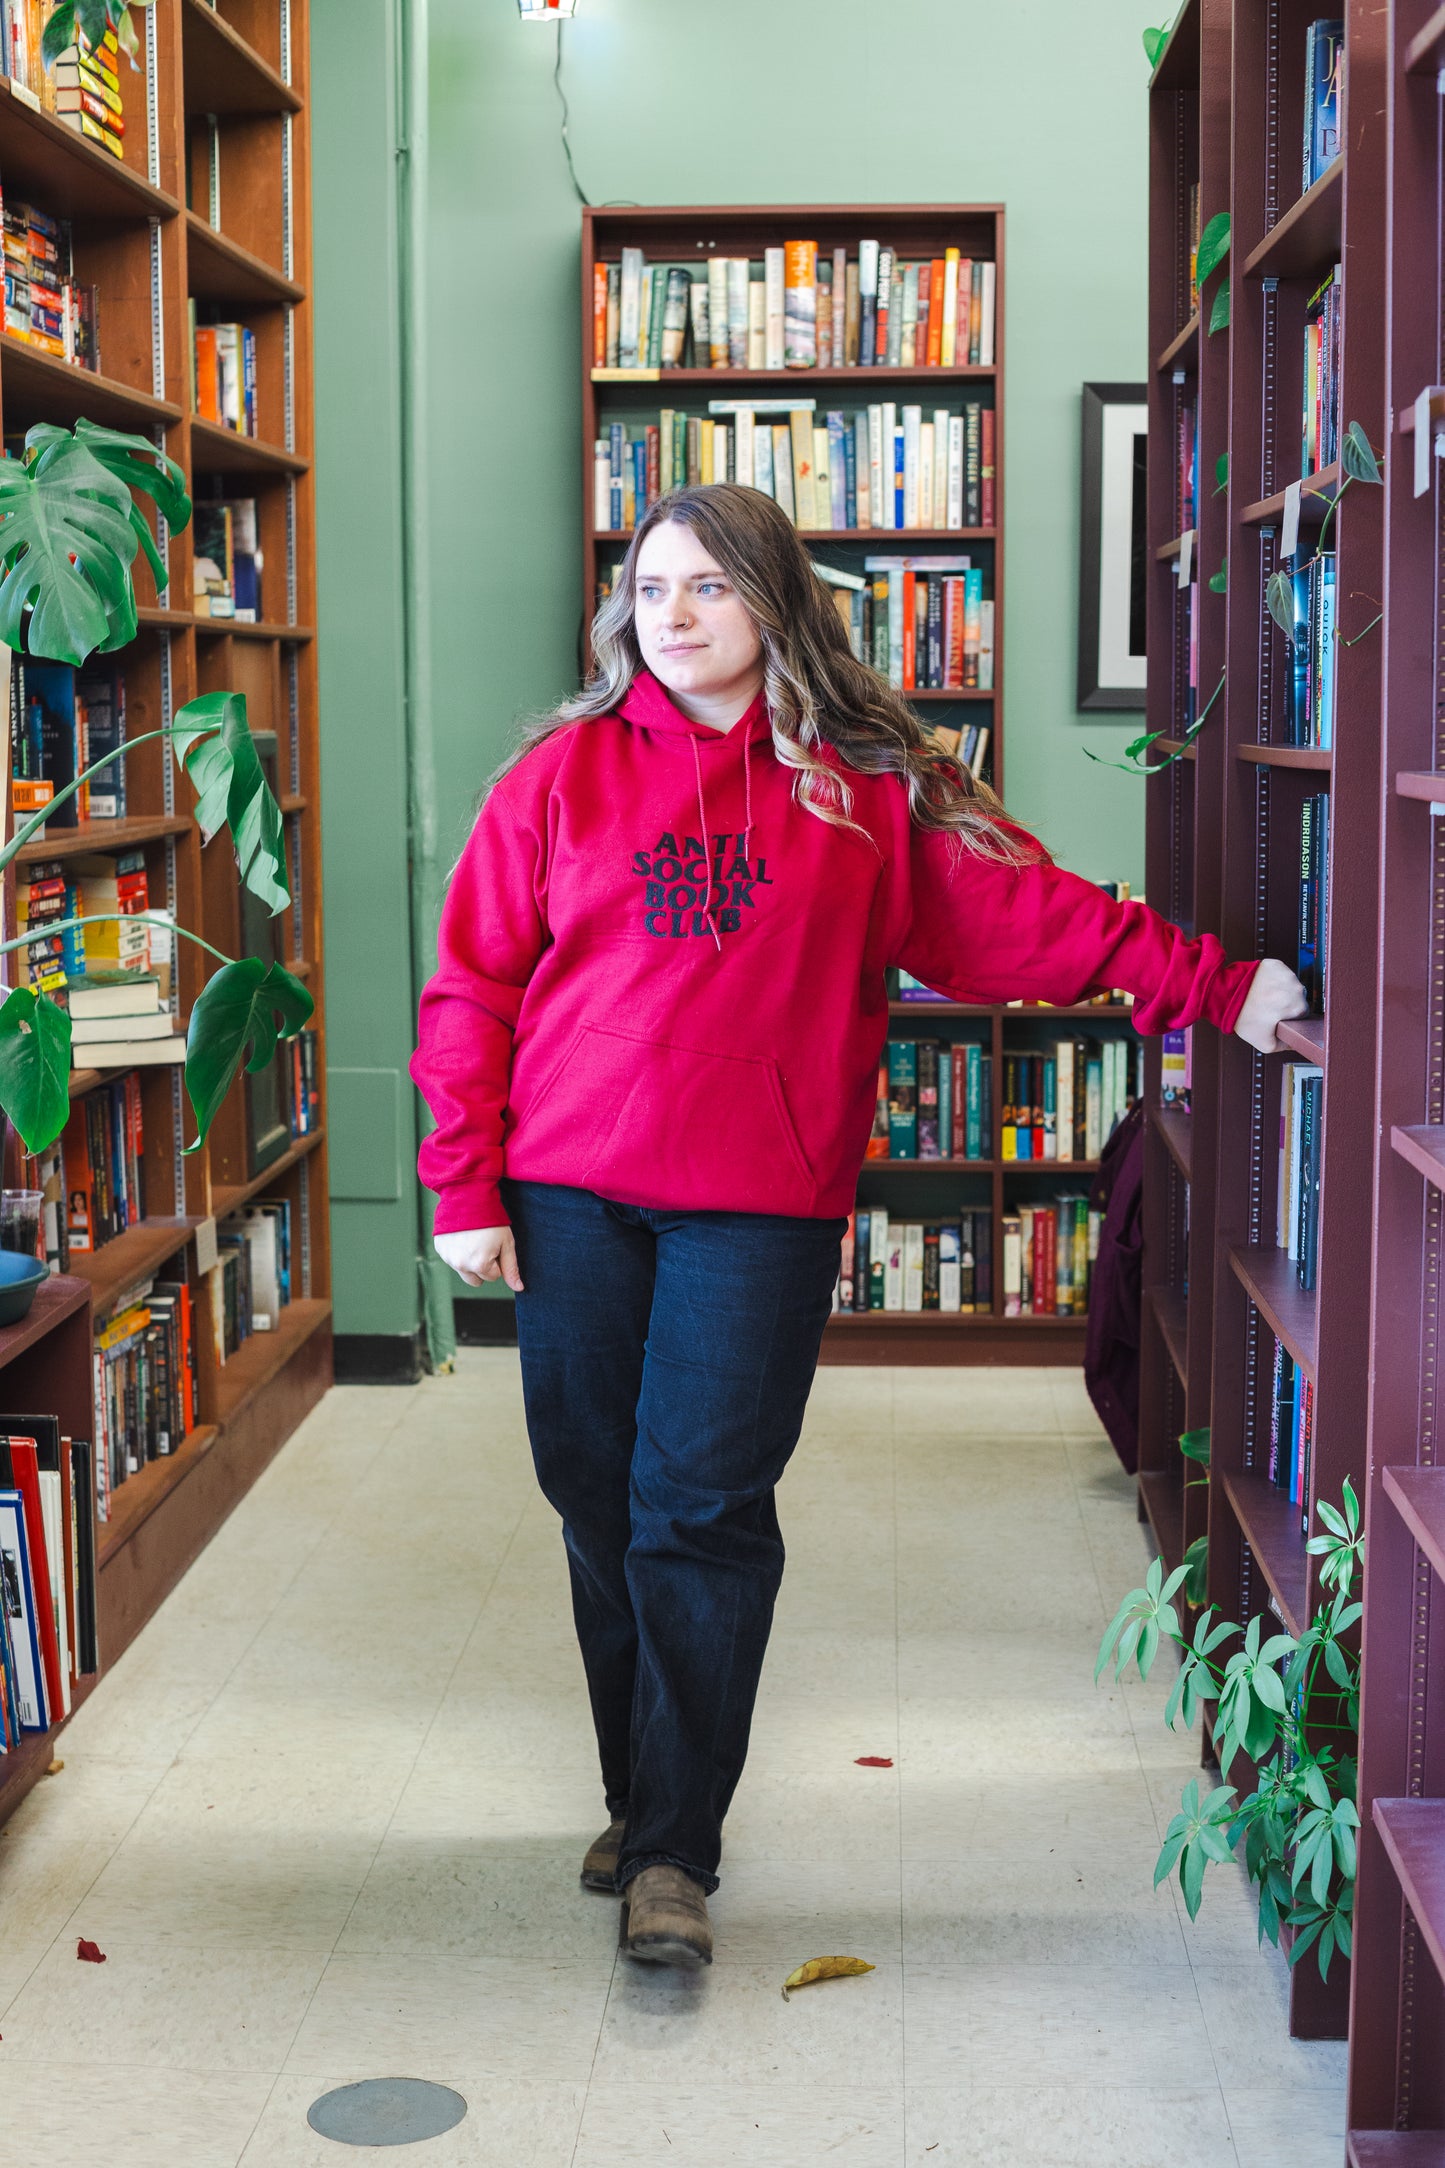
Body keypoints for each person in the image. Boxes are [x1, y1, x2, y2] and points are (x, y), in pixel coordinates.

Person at [410, 482, 1305, 1972]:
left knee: (696, 1508)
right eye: (651, 589)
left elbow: (1031, 915)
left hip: (753, 1210)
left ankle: (674, 1852)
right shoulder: (558, 775)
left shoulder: (869, 785)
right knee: (591, 1496)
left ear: (773, 600)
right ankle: (640, 1795)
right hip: (570, 1192)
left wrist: (1210, 984)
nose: (675, 614)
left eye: (706, 586)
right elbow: (474, 983)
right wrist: (460, 1184)